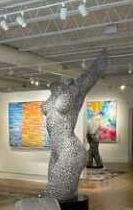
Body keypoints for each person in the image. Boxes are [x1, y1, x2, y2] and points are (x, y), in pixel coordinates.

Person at [42, 49, 107, 201]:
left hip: (71, 151)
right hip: (57, 151)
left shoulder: (74, 92)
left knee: (55, 195)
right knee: (61, 197)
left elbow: (87, 80)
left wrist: (98, 66)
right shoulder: (54, 94)